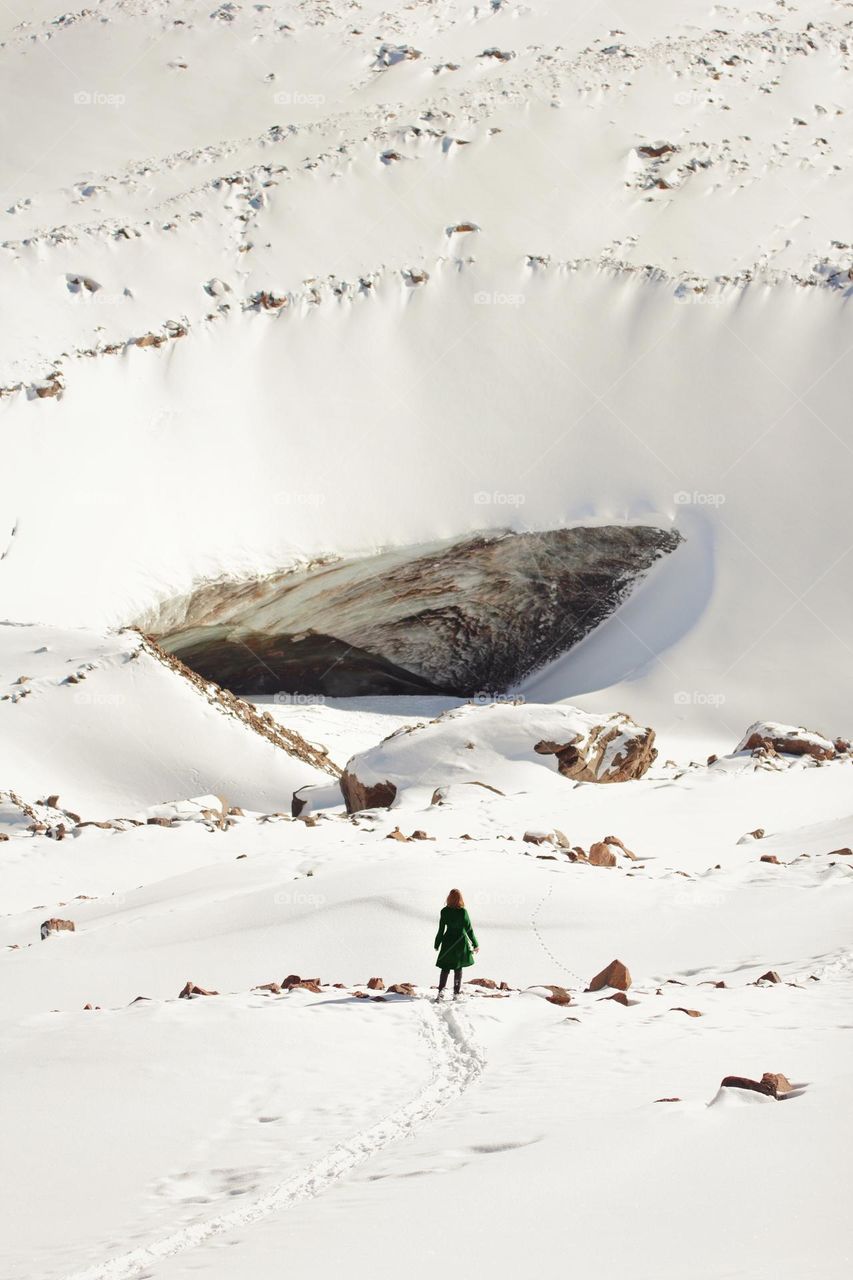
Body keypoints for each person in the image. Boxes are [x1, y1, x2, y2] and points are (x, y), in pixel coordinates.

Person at [434, 888, 478, 998]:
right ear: (460, 899)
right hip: (460, 942)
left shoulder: (444, 911)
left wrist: (437, 943)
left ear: (449, 898)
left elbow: (441, 929)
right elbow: (469, 929)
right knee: (458, 968)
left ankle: (441, 990)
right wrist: (475, 944)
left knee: (445, 966)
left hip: (447, 941)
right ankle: (456, 992)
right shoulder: (463, 912)